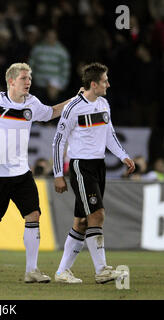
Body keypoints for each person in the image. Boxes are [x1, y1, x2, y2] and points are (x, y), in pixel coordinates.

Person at [0, 62, 71, 283]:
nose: (28, 82)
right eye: (24, 78)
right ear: (11, 81)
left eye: (30, 78)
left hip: (20, 171)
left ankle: (31, 270)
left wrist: (73, 101)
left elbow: (51, 112)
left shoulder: (32, 103)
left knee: (33, 215)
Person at [52, 62, 135, 284]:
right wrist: (58, 174)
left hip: (99, 167)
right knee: (96, 215)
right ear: (93, 84)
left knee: (81, 222)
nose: (108, 84)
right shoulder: (73, 108)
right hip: (81, 166)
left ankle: (62, 272)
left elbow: (110, 134)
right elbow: (58, 141)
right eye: (105, 81)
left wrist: (123, 155)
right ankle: (102, 270)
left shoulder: (104, 104)